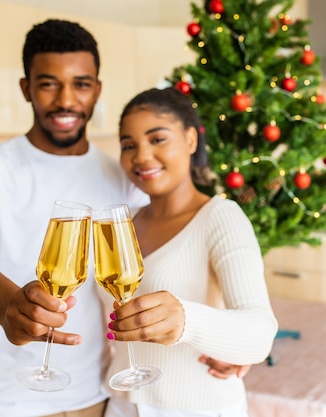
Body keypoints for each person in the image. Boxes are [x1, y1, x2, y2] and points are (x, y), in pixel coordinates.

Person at [0, 19, 246, 417]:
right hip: (5, 398)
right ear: (25, 88)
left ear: (97, 89)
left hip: (97, 396)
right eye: (48, 83)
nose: (66, 99)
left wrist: (235, 342)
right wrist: (3, 307)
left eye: (81, 84)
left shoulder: (124, 177)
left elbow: (181, 253)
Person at [102, 87, 278, 417]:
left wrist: (186, 319)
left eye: (157, 139)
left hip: (199, 408)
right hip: (121, 406)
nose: (141, 156)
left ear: (190, 140)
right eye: (129, 145)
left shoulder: (221, 218)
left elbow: (260, 333)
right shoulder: (123, 225)